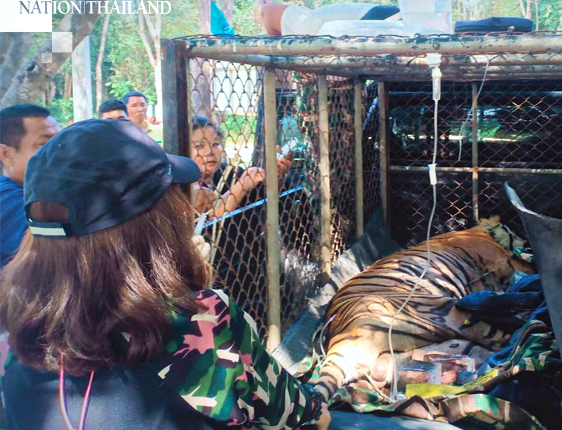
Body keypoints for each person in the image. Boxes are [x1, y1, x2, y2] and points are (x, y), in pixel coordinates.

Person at [0, 119, 330, 430]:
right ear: (157, 221)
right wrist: (186, 290)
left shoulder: (23, 334)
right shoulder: (204, 318)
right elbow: (305, 417)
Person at [191, 116, 292, 217]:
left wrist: (275, 175)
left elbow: (264, 196)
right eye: (199, 146)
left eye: (215, 144)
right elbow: (208, 220)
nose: (210, 152)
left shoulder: (230, 173)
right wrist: (242, 185)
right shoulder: (184, 187)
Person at [0, 104, 60, 268]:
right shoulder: (6, 200)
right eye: (44, 144)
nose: (60, 152)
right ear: (6, 154)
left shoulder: (40, 194)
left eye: (60, 142)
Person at [257, 0, 399, 36]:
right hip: (374, 18)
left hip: (372, 18)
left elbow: (267, 9)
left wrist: (271, 35)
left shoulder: (305, 23)